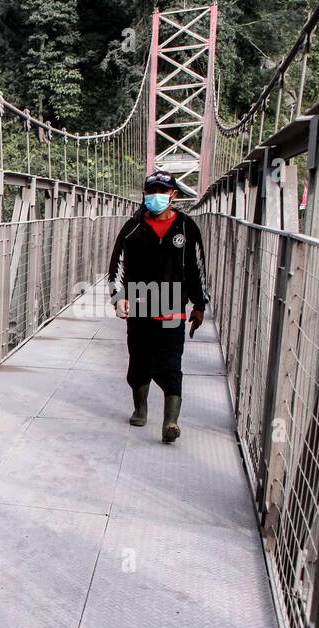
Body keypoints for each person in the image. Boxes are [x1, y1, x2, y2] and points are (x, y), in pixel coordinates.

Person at [106, 171, 209, 443]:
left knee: (171, 363)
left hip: (173, 306)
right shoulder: (133, 227)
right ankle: (140, 408)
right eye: (152, 191)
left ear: (173, 195)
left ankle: (170, 422)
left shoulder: (186, 228)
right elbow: (116, 267)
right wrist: (118, 298)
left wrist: (200, 304)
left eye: (163, 191)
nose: (157, 196)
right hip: (139, 305)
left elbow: (197, 268)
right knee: (139, 360)